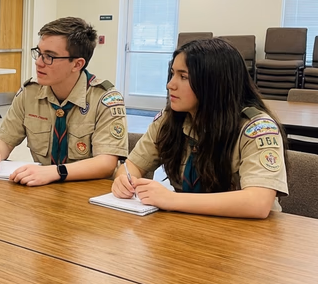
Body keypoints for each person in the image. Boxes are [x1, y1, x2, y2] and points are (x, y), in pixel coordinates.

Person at [112, 38, 288, 218]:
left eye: (183, 77)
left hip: (250, 235)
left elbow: (257, 203)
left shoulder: (256, 128)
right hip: (191, 226)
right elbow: (131, 166)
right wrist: (123, 181)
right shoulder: (170, 120)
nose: (170, 85)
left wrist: (172, 200)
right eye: (172, 74)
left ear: (213, 83)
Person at [0, 17, 128, 186]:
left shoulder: (104, 99)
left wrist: (56, 172)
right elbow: (5, 141)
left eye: (49, 57)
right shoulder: (30, 93)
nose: (38, 62)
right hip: (42, 190)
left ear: (77, 64)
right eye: (39, 53)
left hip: (88, 193)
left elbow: (106, 164)